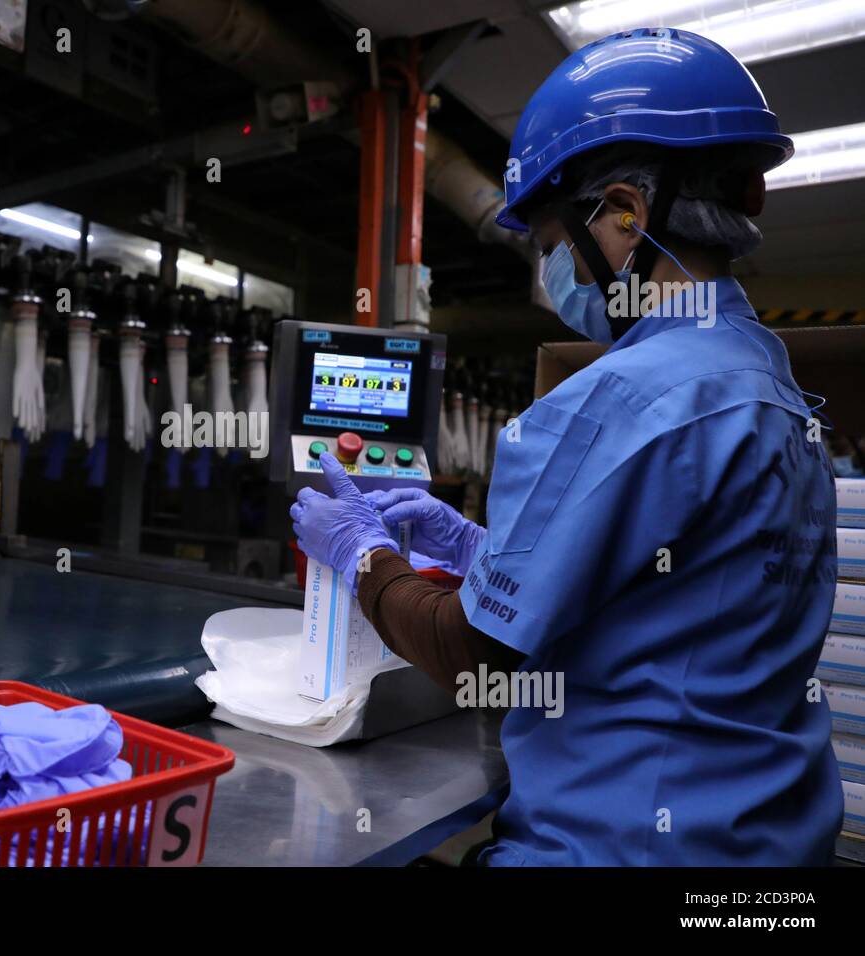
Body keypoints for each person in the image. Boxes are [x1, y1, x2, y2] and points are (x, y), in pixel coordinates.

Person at [290, 28, 842, 865]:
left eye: (552, 246)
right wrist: (480, 547)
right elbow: (684, 593)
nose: (553, 277)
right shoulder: (765, 373)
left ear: (626, 214)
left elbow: (480, 659)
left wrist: (365, 558)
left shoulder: (619, 396)